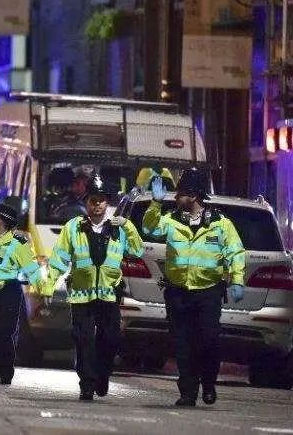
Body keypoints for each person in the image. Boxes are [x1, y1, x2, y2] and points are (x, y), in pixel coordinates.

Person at [144, 168, 245, 407]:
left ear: (194, 195)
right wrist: (155, 204)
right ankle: (188, 392)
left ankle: (208, 383)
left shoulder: (220, 223)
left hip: (208, 292)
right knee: (183, 344)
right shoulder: (171, 219)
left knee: (209, 340)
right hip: (178, 291)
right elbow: (149, 228)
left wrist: (237, 280)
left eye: (180, 193)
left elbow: (236, 252)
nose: (176, 197)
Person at [43, 174, 144, 400]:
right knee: (84, 340)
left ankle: (103, 375)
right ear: (85, 203)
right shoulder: (74, 227)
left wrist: (128, 226)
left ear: (107, 203)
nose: (97, 204)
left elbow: (137, 251)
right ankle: (87, 384)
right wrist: (49, 284)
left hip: (109, 295)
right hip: (81, 295)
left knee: (111, 340)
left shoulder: (118, 228)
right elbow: (59, 258)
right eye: (92, 200)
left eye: (101, 200)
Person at [0, 201, 45, 385]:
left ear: (2, 221)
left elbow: (31, 268)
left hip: (9, 291)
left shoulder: (17, 243)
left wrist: (44, 289)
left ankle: (6, 372)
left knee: (5, 333)